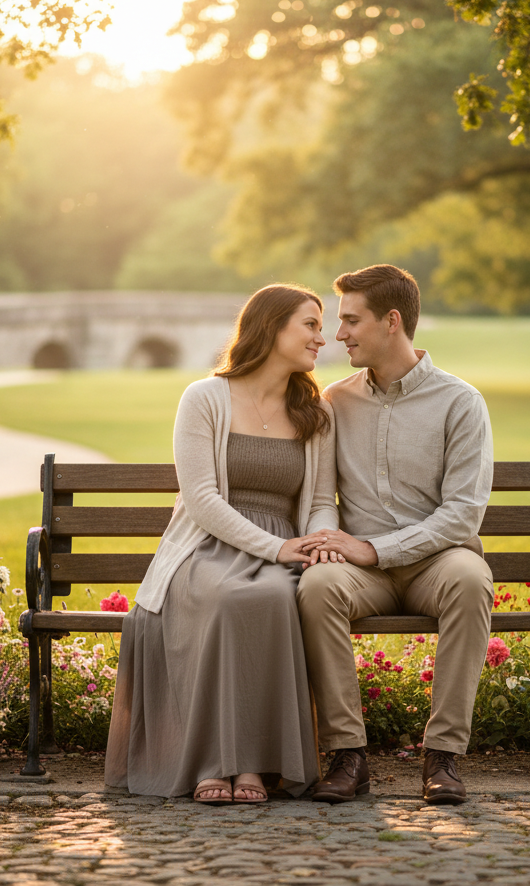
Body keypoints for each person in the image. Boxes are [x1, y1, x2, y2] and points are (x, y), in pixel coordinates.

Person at [104, 284, 343, 804]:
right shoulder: (204, 398)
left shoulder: (314, 411)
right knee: (225, 598)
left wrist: (316, 540)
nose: (321, 338)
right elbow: (203, 500)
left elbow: (322, 497)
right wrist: (275, 550)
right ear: (271, 327)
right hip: (206, 547)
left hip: (287, 544)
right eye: (309, 324)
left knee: (273, 597)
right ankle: (213, 762)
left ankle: (254, 765)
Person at [296, 264, 495, 805]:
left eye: (350, 321)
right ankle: (347, 755)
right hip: (363, 573)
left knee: (471, 582)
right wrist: (331, 543)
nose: (339, 334)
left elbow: (461, 515)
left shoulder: (460, 402)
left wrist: (376, 548)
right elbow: (318, 497)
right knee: (315, 589)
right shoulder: (334, 401)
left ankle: (443, 756)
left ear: (391, 322)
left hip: (439, 561)